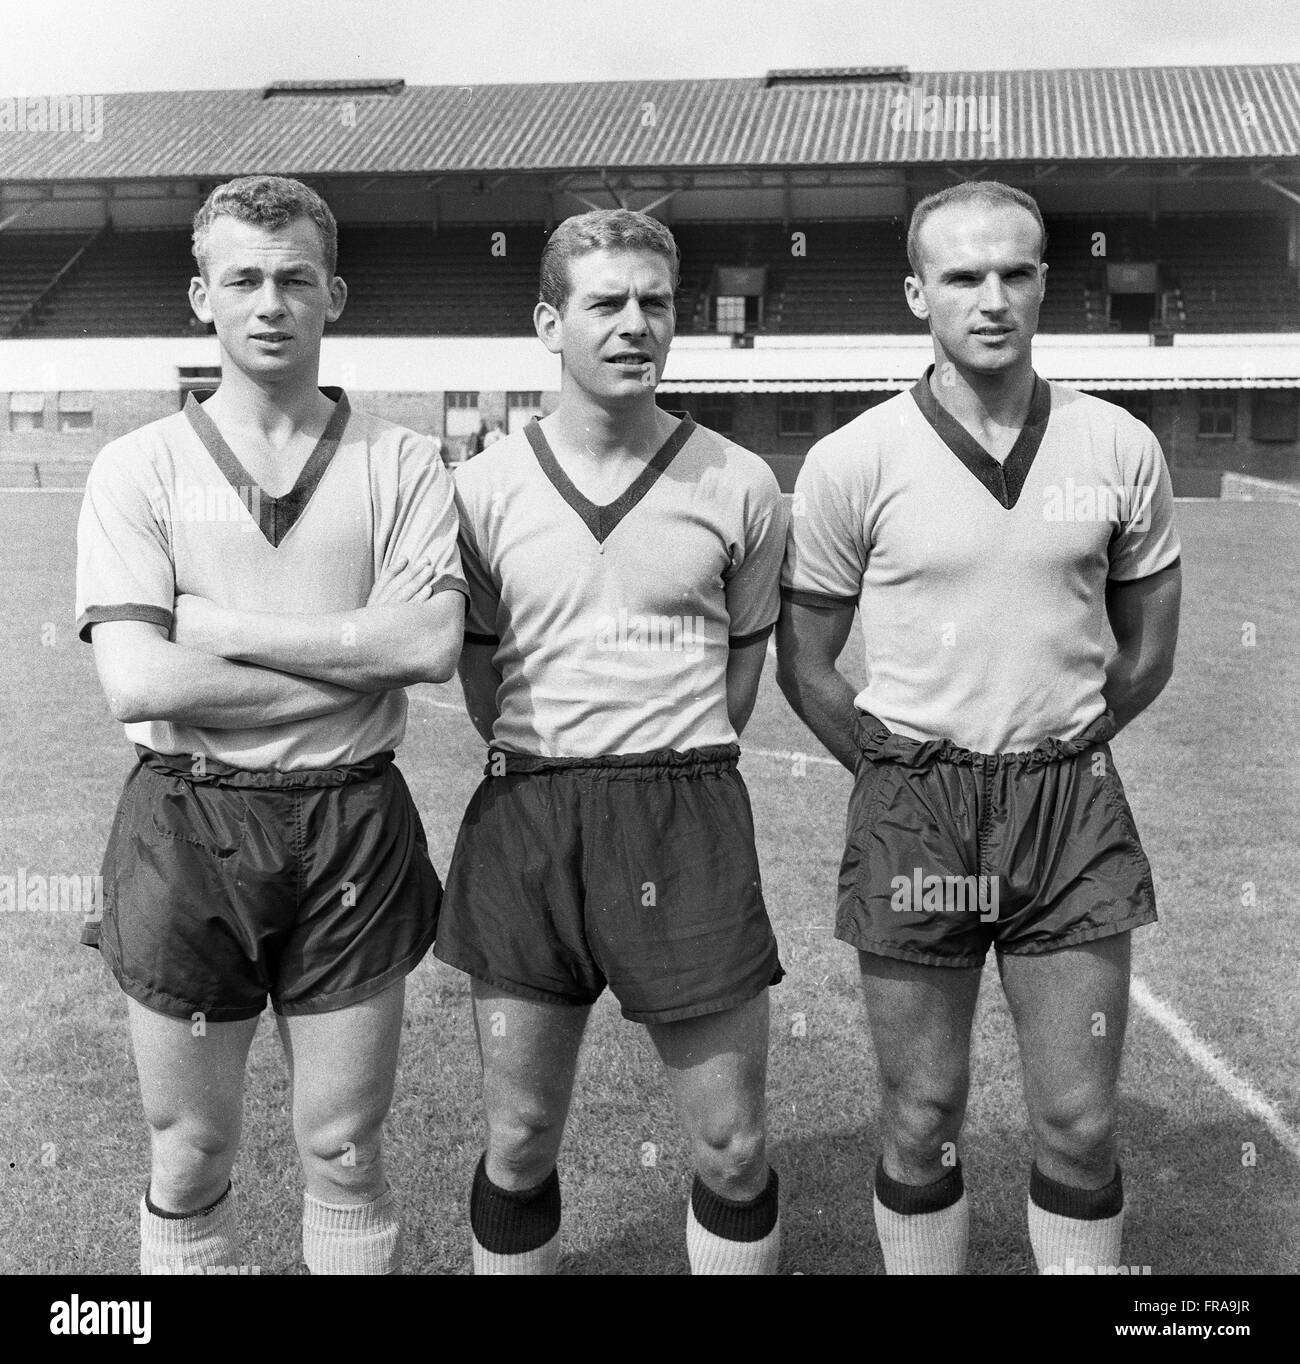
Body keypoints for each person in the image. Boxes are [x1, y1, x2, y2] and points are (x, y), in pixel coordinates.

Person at [777, 181, 1181, 1275]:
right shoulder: (853, 458)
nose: (991, 297)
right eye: (962, 275)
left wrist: (1064, 743)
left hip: (1066, 808)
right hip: (918, 812)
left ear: (1045, 280)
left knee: (1080, 1122)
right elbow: (803, 662)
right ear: (918, 292)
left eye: (1014, 271)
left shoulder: (1118, 444)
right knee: (921, 1112)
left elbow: (1145, 651)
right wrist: (899, 772)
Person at [74, 175, 467, 1275]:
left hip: (351, 821)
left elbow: (430, 645)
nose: (270, 301)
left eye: (295, 277)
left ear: (333, 293)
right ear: (200, 295)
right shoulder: (136, 465)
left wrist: (230, 629)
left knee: (344, 1146)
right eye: (242, 278)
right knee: (190, 1148)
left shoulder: (400, 461)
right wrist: (355, 662)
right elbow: (141, 679)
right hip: (188, 824)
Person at [437, 208, 788, 1274]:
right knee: (518, 1136)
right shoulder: (484, 487)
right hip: (529, 813)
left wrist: (655, 753)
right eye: (605, 302)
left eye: (655, 302)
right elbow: (481, 669)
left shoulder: (738, 482)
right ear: (549, 321)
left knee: (730, 1144)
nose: (634, 324)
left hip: (682, 811)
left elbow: (737, 678)